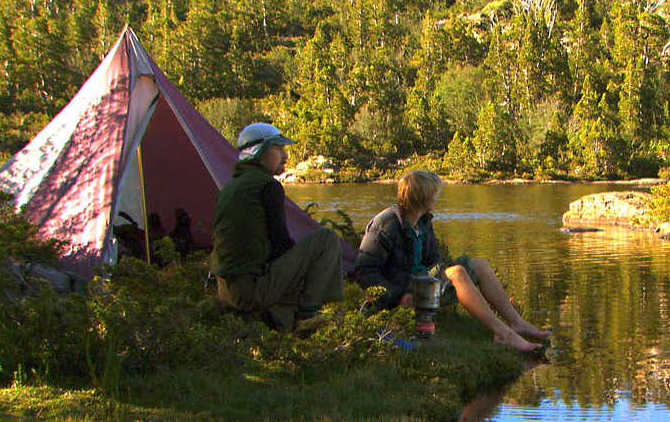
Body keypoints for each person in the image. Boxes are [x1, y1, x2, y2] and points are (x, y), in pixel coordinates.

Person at [355, 169, 551, 352]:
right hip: (401, 288)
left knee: (479, 265)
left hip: (421, 282)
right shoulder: (385, 225)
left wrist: (441, 276)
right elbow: (364, 272)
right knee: (457, 272)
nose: (437, 196)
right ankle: (503, 333)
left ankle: (517, 323)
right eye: (433, 192)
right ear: (421, 195)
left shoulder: (422, 221)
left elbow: (433, 258)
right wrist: (398, 297)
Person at [209, 123, 344, 333]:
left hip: (227, 291)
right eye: (279, 148)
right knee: (325, 239)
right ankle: (309, 317)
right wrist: (306, 269)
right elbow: (280, 243)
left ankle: (280, 318)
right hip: (250, 292)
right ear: (260, 152)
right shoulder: (267, 186)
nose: (285, 155)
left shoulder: (232, 186)